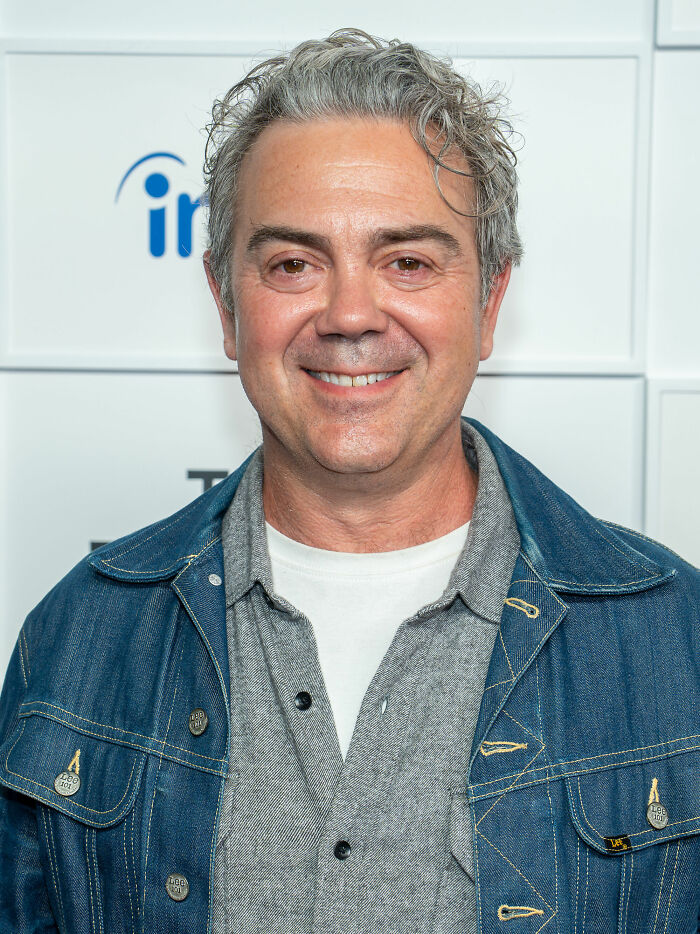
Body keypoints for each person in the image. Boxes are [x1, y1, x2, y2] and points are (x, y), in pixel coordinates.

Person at [0, 27, 698, 934]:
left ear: (488, 302)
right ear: (227, 305)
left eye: (407, 260)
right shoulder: (81, 642)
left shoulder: (676, 644)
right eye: (294, 263)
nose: (350, 315)